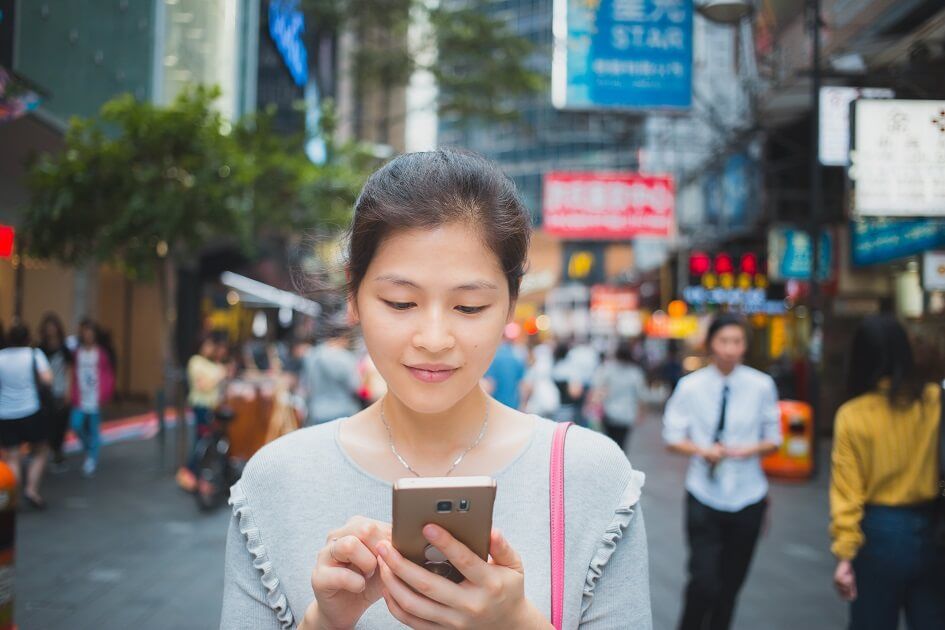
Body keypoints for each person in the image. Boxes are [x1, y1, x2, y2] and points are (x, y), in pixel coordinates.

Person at [220, 150, 651, 629]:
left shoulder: (589, 476)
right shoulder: (276, 481)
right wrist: (325, 622)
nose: (433, 340)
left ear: (510, 304)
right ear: (353, 295)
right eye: (400, 302)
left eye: (468, 307)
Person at [662, 313, 781, 630]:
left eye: (737, 341)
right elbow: (672, 437)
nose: (731, 349)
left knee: (730, 587)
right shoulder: (691, 387)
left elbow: (775, 438)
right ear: (710, 344)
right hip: (704, 493)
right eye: (724, 341)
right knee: (703, 581)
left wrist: (748, 450)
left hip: (748, 494)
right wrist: (702, 450)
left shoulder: (761, 385)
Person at [829, 315, 945, 629]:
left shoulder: (852, 415)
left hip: (878, 535)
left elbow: (847, 493)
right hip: (933, 531)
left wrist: (844, 556)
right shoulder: (935, 401)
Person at [0, 323, 53, 508]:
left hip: (5, 413)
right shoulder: (34, 354)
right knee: (41, 450)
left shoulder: (1, 357)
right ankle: (31, 490)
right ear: (27, 338)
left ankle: (13, 498)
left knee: (13, 456)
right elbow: (48, 379)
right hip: (30, 410)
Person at [177, 334, 227, 491]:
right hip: (201, 407)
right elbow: (202, 385)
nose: (210, 348)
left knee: (209, 442)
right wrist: (219, 375)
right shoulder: (195, 362)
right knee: (201, 443)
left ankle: (198, 477)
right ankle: (191, 473)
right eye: (208, 345)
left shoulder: (211, 363)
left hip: (212, 408)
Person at [70, 318, 115, 477]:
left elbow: (108, 374)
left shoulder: (101, 353)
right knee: (76, 424)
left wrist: (106, 392)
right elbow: (73, 374)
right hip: (80, 396)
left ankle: (92, 457)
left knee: (94, 429)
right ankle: (89, 447)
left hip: (95, 396)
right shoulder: (77, 352)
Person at [299, 326, 361, 425]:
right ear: (343, 338)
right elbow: (355, 386)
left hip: (316, 411)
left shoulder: (311, 355)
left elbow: (305, 386)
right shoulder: (345, 357)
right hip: (343, 411)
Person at [592, 341, 647, 450]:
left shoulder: (607, 369)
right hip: (627, 414)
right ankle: (620, 465)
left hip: (609, 412)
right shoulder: (635, 372)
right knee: (622, 445)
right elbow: (641, 395)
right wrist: (641, 413)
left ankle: (610, 464)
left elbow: (598, 388)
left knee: (609, 444)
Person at [38, 313, 73, 469]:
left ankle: (57, 452)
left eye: (53, 328)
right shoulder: (40, 349)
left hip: (60, 390)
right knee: (48, 424)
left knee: (61, 424)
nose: (51, 331)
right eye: (48, 328)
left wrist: (68, 390)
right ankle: (50, 451)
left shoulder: (64, 348)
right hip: (46, 393)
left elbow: (69, 370)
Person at [482, 334, 526, 409]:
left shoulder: (492, 358)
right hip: (513, 407)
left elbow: (489, 385)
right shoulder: (516, 358)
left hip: (496, 409)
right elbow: (523, 386)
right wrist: (522, 405)